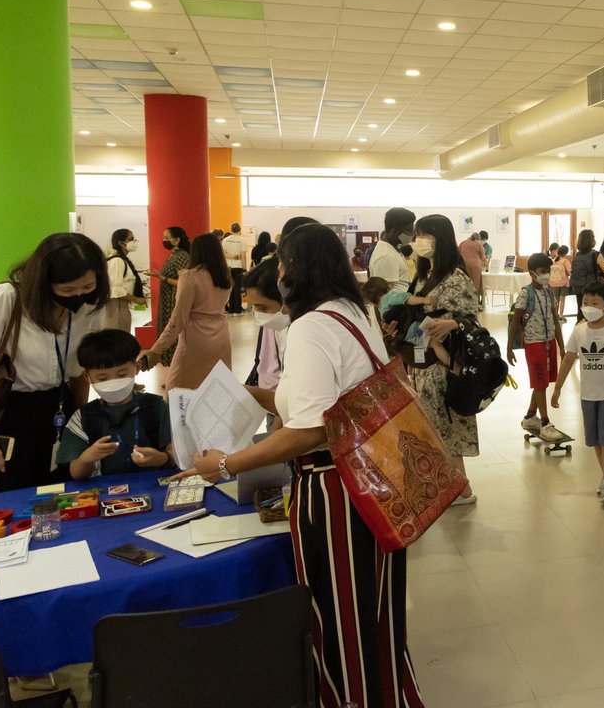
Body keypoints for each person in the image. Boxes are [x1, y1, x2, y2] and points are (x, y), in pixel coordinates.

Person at [172, 223, 425, 708]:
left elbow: (312, 429)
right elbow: (330, 402)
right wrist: (253, 394)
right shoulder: (355, 311)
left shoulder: (310, 326)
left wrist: (225, 463)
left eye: (283, 266)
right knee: (374, 613)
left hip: (336, 491)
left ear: (296, 270)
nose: (279, 275)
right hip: (375, 479)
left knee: (339, 615)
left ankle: (350, 699)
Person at [0, 233, 109, 496]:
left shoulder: (87, 308)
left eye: (87, 287)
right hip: (9, 415)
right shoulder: (5, 299)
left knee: (64, 504)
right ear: (43, 281)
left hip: (61, 412)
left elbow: (77, 375)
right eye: (67, 290)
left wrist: (82, 421)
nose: (78, 296)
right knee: (5, 505)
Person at [410, 214, 481, 503]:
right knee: (434, 428)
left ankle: (459, 488)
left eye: (424, 235)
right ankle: (454, 487)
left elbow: (471, 320)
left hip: (445, 363)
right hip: (424, 360)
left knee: (446, 427)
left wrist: (451, 325)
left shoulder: (456, 277)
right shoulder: (427, 275)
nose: (419, 242)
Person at [551, 282, 604, 504]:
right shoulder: (578, 331)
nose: (588, 307)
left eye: (594, 303)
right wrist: (557, 388)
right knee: (595, 439)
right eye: (585, 302)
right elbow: (568, 359)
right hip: (588, 395)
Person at [57, 329, 173, 481]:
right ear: (88, 377)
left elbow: (176, 456)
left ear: (136, 368)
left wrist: (160, 458)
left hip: (155, 487)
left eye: (122, 374)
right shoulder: (83, 418)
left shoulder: (156, 407)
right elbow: (76, 473)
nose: (113, 382)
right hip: (106, 493)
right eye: (103, 378)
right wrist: (87, 458)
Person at [141, 233, 232, 390]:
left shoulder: (190, 276)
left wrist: (156, 350)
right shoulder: (225, 276)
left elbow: (178, 319)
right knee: (216, 386)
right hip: (221, 334)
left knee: (176, 389)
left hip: (196, 336)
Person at [507, 253, 566, 442]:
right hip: (534, 343)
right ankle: (545, 423)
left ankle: (530, 417)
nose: (547, 275)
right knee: (539, 382)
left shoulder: (549, 292)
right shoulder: (526, 293)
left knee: (544, 381)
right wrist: (509, 348)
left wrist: (561, 346)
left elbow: (555, 320)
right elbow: (515, 322)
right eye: (543, 272)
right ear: (532, 273)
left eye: (548, 271)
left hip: (549, 342)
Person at [244, 260, 290, 393]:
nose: (258, 314)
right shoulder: (274, 325)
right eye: (253, 306)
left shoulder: (302, 332)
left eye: (262, 307)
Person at [148, 226, 191, 368]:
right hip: (166, 302)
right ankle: (170, 370)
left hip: (173, 302)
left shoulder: (182, 256)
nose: (164, 241)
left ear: (177, 240)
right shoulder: (173, 255)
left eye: (167, 238)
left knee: (172, 337)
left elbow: (183, 282)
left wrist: (163, 278)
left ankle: (176, 370)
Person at [103, 228, 147, 332]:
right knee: (117, 337)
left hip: (122, 305)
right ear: (122, 243)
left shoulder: (122, 260)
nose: (135, 241)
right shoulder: (117, 261)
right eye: (131, 239)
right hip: (116, 305)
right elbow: (115, 289)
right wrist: (136, 299)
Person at [569, 229, 604, 321]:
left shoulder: (578, 255)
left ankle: (579, 329)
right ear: (592, 240)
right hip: (591, 287)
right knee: (593, 310)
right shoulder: (596, 254)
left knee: (581, 310)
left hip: (578, 287)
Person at [368, 207, 415, 291]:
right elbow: (384, 294)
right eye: (409, 230)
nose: (412, 234)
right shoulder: (386, 256)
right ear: (396, 231)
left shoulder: (392, 248)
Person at [222, 222, 246, 315]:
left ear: (231, 229)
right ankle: (237, 309)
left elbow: (224, 254)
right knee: (237, 288)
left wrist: (232, 257)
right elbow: (243, 256)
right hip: (238, 266)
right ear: (240, 230)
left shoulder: (225, 240)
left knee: (230, 287)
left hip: (228, 265)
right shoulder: (242, 240)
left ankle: (231, 309)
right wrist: (244, 267)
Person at [458, 232, 488, 304]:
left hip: (464, 266)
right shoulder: (478, 244)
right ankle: (475, 302)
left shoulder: (462, 243)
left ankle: (465, 301)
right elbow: (483, 256)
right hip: (475, 266)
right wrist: (485, 264)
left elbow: (458, 255)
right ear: (477, 239)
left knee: (465, 283)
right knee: (475, 284)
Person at [548, 244, 572, 322]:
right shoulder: (565, 261)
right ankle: (561, 316)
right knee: (562, 299)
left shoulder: (554, 261)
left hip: (554, 283)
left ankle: (555, 316)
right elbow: (569, 272)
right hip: (563, 283)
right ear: (565, 253)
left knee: (556, 300)